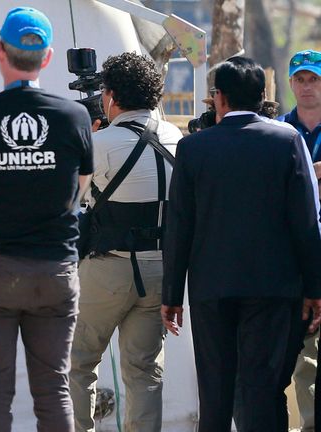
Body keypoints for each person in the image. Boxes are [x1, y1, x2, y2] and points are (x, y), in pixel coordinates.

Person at [0, 7, 93, 432]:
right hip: (54, 267)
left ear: (0, 51)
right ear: (47, 58)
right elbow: (80, 185)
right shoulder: (74, 116)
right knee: (53, 389)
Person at [162, 56, 321, 432]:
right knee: (261, 389)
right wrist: (314, 288)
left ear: (219, 98)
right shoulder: (287, 140)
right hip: (273, 288)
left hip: (210, 288)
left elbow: (179, 225)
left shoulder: (194, 148)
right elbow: (305, 221)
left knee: (214, 391)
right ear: (263, 95)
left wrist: (171, 293)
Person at [69, 52, 182, 432]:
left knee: (79, 362)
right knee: (145, 370)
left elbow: (71, 201)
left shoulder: (101, 142)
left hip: (108, 269)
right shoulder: (175, 137)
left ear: (112, 96)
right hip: (160, 270)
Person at [278, 49, 321, 432]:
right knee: (304, 356)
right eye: (301, 79)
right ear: (290, 83)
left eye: (314, 79)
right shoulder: (278, 130)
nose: (307, 87)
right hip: (295, 254)